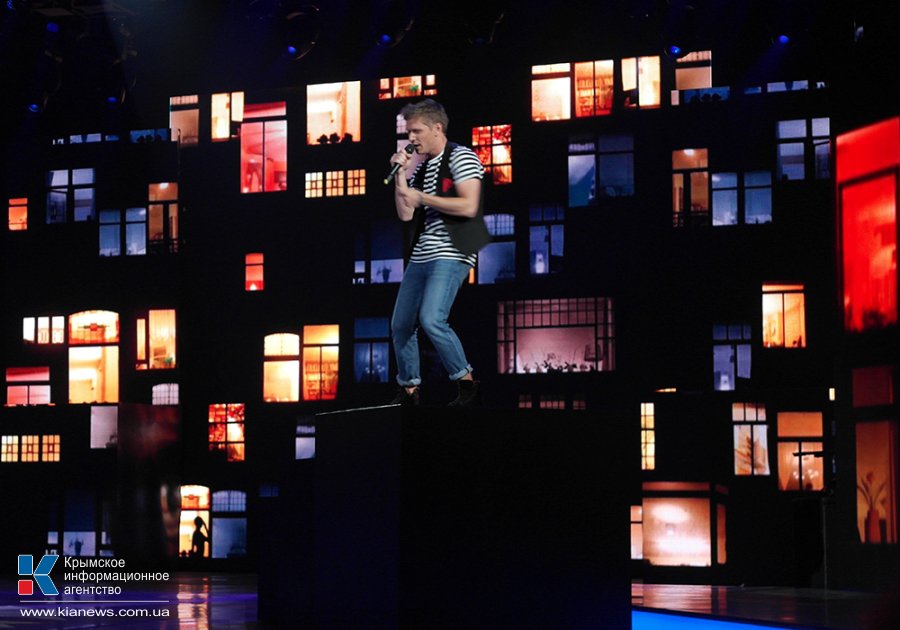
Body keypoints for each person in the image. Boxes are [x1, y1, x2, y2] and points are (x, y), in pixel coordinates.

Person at [388, 99, 490, 407]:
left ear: (437, 128)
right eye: (408, 133)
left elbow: (469, 205)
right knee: (401, 324)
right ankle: (409, 390)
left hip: (453, 251)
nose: (411, 138)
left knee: (431, 318)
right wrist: (401, 175)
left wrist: (423, 197)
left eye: (416, 131)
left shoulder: (461, 156)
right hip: (422, 254)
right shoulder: (422, 168)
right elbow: (406, 213)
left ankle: (467, 382)